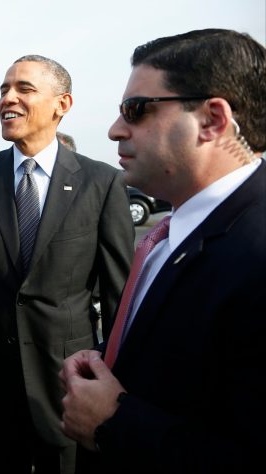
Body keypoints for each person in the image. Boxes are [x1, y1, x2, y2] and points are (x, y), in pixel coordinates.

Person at [0, 55, 135, 474]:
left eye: (24, 89)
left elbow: (119, 293)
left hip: (68, 379)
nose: (7, 98)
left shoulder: (100, 183)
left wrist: (117, 383)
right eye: (3, 89)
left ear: (62, 104)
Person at [60, 29, 266, 474]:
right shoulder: (171, 232)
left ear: (212, 120)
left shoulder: (257, 251)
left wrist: (113, 422)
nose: (115, 129)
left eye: (136, 110)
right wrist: (106, 358)